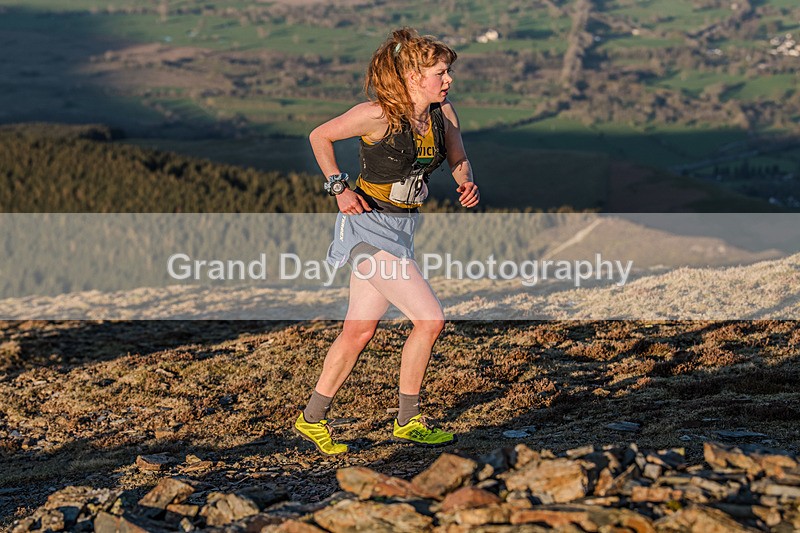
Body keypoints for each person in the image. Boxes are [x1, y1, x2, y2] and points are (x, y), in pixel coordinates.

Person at [294, 27, 479, 455]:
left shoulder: (443, 113)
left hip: (402, 230)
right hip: (366, 229)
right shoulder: (376, 114)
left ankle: (311, 419)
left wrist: (466, 182)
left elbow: (459, 157)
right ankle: (408, 420)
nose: (448, 80)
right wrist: (339, 188)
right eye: (440, 72)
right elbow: (318, 136)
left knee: (358, 331)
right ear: (414, 76)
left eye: (448, 72)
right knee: (430, 319)